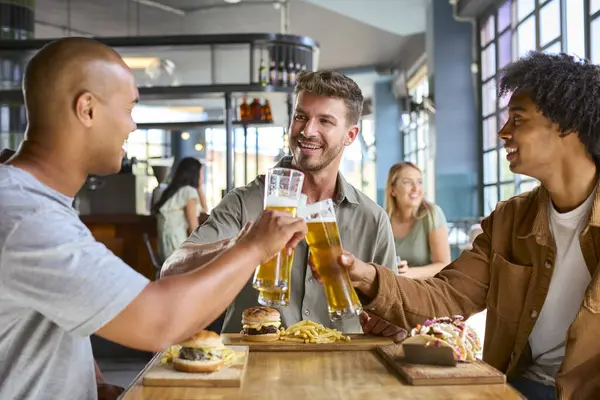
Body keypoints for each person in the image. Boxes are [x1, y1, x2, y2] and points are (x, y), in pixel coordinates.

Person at [0, 37, 308, 400]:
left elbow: (61, 317)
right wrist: (255, 247)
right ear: (87, 109)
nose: (132, 126)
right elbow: (160, 321)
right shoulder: (26, 214)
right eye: (129, 108)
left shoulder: (39, 203)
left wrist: (93, 382)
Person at [331, 51, 600, 400]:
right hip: (514, 386)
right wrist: (366, 276)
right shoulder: (509, 219)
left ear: (567, 124)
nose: (503, 132)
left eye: (518, 120)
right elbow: (446, 297)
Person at [162, 70, 398, 334]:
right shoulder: (244, 201)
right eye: (300, 117)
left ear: (350, 135)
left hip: (342, 369)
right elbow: (172, 270)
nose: (308, 130)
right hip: (252, 368)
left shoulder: (373, 219)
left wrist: (387, 322)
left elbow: (394, 312)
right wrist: (243, 245)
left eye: (325, 121)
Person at [385, 162, 451, 278]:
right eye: (408, 182)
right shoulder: (384, 219)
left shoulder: (432, 215)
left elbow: (444, 265)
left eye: (419, 182)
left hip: (425, 290)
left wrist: (408, 273)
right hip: (393, 288)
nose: (416, 188)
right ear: (393, 190)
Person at [152, 157, 208, 261]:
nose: (203, 176)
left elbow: (204, 210)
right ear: (195, 174)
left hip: (165, 248)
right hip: (176, 247)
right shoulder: (188, 192)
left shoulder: (175, 191)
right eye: (201, 173)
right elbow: (193, 228)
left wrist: (199, 187)